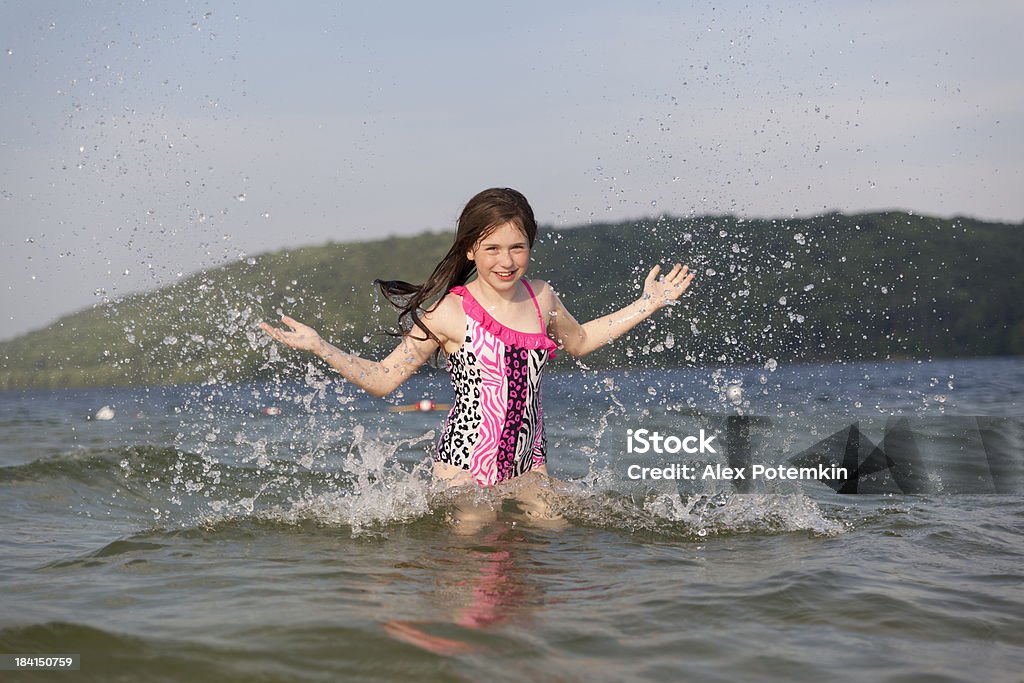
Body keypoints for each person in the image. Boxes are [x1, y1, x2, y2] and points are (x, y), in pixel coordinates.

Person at [259, 188, 694, 528]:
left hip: (530, 466)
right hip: (465, 469)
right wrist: (321, 347)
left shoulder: (541, 297)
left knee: (558, 544)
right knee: (476, 552)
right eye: (492, 249)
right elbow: (384, 378)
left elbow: (580, 342)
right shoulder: (447, 311)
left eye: (517, 248)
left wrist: (649, 303)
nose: (506, 262)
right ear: (470, 249)